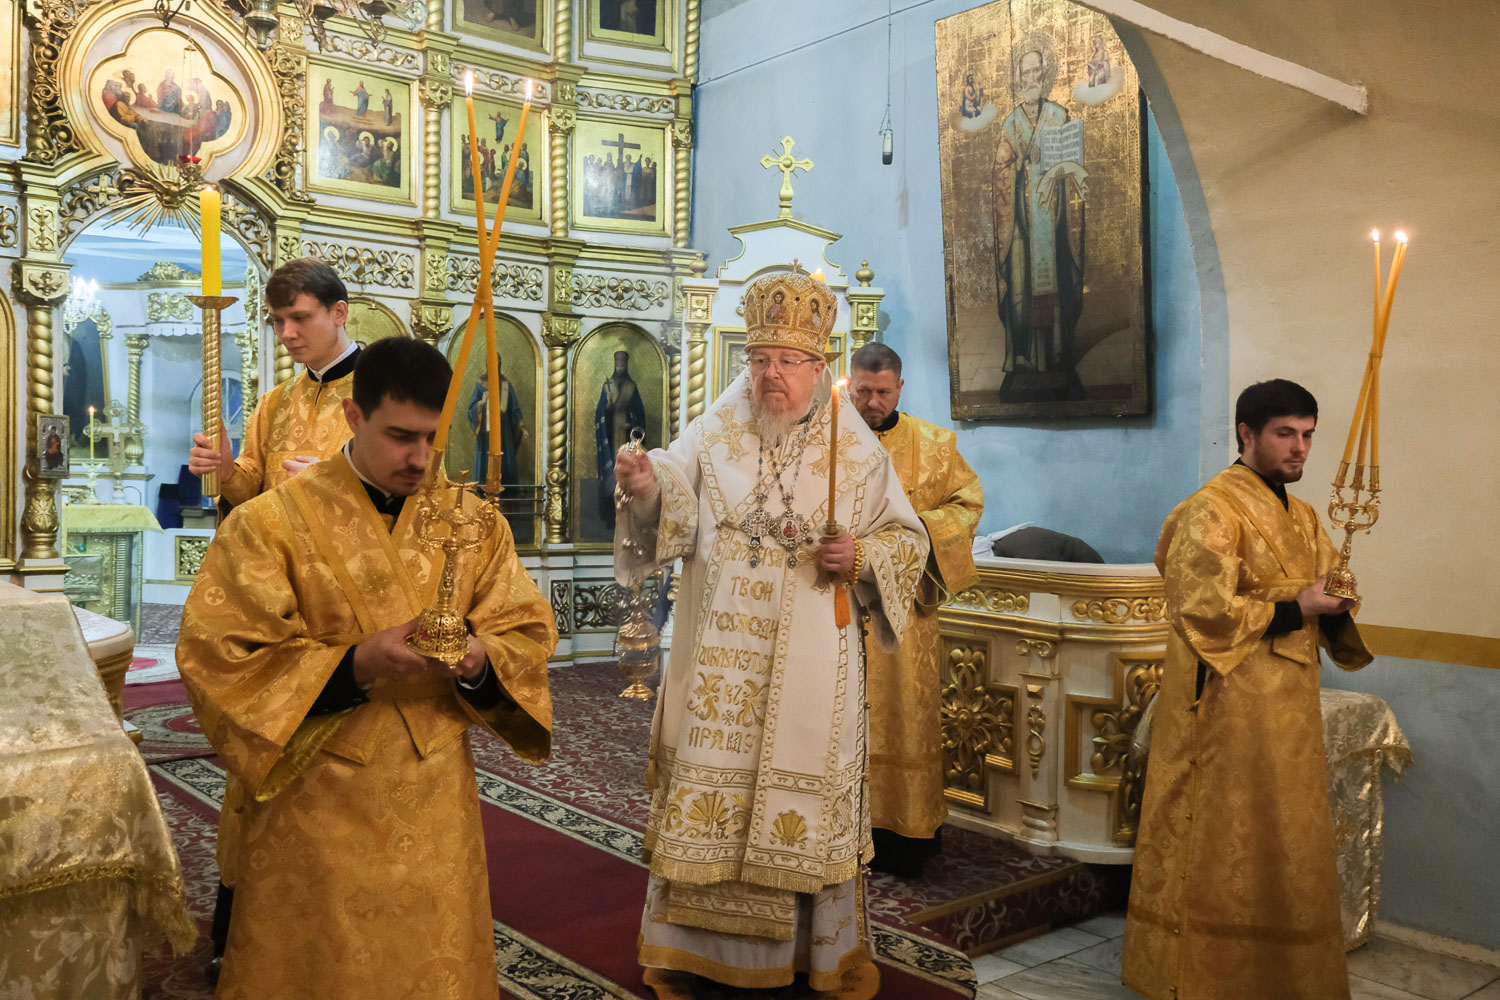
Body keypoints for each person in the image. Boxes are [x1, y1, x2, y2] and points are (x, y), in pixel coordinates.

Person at [177, 336, 556, 998]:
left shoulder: (473, 523)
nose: (421, 458)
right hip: (319, 795)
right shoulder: (269, 525)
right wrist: (355, 664)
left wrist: (476, 659)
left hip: (433, 793)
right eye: (401, 436)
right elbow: (221, 656)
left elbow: (524, 630)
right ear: (354, 419)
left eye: (433, 438)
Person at [612, 270, 928, 999]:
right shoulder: (720, 425)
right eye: (759, 361)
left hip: (814, 664)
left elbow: (904, 539)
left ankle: (806, 957)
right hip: (718, 656)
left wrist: (865, 557)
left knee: (801, 799)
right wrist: (643, 483)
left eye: (787, 362)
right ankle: (695, 954)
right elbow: (672, 483)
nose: (770, 376)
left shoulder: (856, 449)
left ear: (821, 370)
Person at [1121, 379, 1371, 1000]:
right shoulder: (1212, 508)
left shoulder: (1307, 514)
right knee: (1222, 836)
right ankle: (1204, 973)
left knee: (1283, 836)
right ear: (1246, 434)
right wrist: (1300, 604)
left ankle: (1278, 972)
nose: (1300, 448)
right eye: (1286, 433)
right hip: (1226, 708)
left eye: (1308, 435)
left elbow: (1319, 597)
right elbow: (1200, 607)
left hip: (1287, 708)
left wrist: (1334, 603)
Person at [185, 256, 364, 979]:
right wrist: (227, 469)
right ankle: (250, 931)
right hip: (275, 610)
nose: (288, 333)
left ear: (339, 313)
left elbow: (417, 489)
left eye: (301, 318)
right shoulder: (275, 402)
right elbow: (251, 492)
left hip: (343, 615)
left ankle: (330, 933)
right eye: (279, 321)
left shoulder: (382, 392)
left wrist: (329, 486)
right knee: (259, 765)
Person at [848, 343, 983, 877]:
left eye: (882, 392)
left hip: (905, 614)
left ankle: (906, 834)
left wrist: (913, 531)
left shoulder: (934, 444)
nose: (872, 401)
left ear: (899, 388)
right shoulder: (823, 444)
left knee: (904, 715)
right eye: (862, 391)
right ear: (849, 384)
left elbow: (967, 503)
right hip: (839, 605)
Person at [992, 36, 1089, 402]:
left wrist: (1060, 171)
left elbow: (1072, 163)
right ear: (1016, 78)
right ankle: (1023, 356)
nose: (1031, 78)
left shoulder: (1058, 116)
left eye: (1036, 71)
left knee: (1056, 282)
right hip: (1019, 222)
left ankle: (1057, 356)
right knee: (1021, 285)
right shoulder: (1010, 124)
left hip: (1053, 217)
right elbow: (998, 171)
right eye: (1024, 72)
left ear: (1045, 74)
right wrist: (1016, 169)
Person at [594, 350, 645, 532]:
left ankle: (629, 515)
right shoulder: (607, 387)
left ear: (626, 364)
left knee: (628, 477)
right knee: (611, 476)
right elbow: (600, 413)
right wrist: (607, 406)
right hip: (610, 439)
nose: (620, 365)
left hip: (627, 439)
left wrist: (631, 423)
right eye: (618, 362)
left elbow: (640, 415)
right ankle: (610, 516)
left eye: (623, 362)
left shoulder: (632, 387)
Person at [467, 356, 529, 488]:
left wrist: (521, 426)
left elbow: (514, 408)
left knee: (504, 463)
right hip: (486, 434)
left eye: (497, 364)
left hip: (504, 433)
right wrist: (481, 404)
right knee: (486, 464)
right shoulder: (481, 383)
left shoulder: (506, 384)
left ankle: (507, 495)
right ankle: (483, 494)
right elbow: (472, 408)